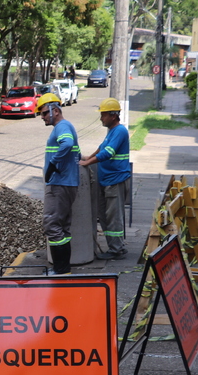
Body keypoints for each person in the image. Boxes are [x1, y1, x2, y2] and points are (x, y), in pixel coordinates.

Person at [79, 98, 131, 259]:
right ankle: (114, 246)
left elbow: (108, 153)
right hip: (107, 180)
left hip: (115, 181)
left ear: (113, 116)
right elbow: (101, 148)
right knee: (104, 216)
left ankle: (117, 250)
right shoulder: (112, 131)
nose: (101, 118)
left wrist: (87, 162)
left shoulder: (120, 131)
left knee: (113, 217)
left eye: (103, 115)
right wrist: (88, 157)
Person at [37, 92, 80, 275]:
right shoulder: (65, 126)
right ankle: (63, 269)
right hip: (66, 183)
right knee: (62, 227)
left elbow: (67, 144)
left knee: (52, 224)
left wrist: (53, 164)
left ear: (55, 110)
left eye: (44, 113)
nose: (42, 117)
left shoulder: (62, 127)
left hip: (59, 184)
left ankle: (60, 269)